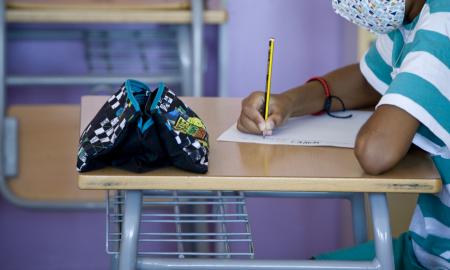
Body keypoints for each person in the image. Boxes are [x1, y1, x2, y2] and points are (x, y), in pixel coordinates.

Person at [237, 0, 450, 269]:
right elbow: (368, 80)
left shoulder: (442, 24)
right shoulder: (415, 15)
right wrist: (288, 102)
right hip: (424, 246)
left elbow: (376, 151)